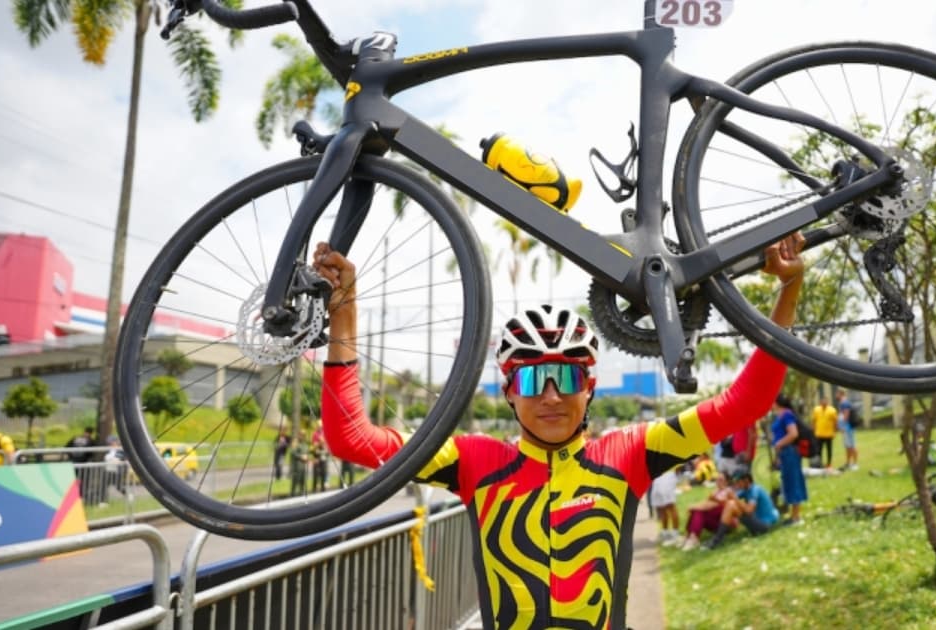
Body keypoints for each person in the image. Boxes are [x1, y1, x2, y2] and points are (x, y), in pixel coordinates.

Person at [312, 231, 804, 629]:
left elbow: (746, 403)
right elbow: (351, 439)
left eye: (567, 376)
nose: (550, 395)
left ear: (589, 387)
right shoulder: (474, 461)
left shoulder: (630, 451)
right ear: (509, 391)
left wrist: (788, 289)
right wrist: (345, 313)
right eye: (531, 378)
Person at [704, 472, 778, 549]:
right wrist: (716, 498)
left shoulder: (755, 490)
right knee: (731, 504)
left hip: (764, 525)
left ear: (746, 480)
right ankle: (717, 538)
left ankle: (717, 539)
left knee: (732, 503)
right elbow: (727, 501)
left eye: (738, 481)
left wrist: (733, 497)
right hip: (757, 522)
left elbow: (749, 510)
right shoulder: (745, 489)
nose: (736, 484)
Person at [770, 393, 808, 525]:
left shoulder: (786, 414)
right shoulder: (779, 415)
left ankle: (796, 517)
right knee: (787, 481)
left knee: (793, 482)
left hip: (790, 452)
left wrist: (779, 444)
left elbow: (793, 433)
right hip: (784, 454)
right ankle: (793, 515)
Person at [681, 472, 736, 550]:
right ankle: (690, 536)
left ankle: (693, 537)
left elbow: (714, 505)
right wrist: (695, 507)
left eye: (721, 480)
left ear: (726, 482)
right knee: (697, 512)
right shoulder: (716, 491)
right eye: (717, 480)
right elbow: (706, 503)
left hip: (725, 525)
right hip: (716, 521)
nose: (718, 482)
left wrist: (694, 507)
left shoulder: (728, 491)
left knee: (698, 511)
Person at [649, 467, 682, 546]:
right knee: (661, 507)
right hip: (658, 474)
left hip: (668, 473)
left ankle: (675, 535)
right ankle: (665, 533)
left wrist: (676, 471)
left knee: (670, 505)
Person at [810, 395, 838, 469]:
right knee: (819, 450)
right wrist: (813, 431)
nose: (824, 402)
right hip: (819, 434)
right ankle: (819, 464)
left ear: (827, 402)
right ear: (820, 402)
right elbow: (813, 421)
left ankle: (829, 464)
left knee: (829, 450)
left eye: (825, 401)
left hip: (829, 434)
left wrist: (835, 431)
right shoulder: (816, 409)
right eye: (822, 401)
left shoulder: (832, 410)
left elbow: (835, 422)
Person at [836, 389, 859, 471]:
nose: (836, 395)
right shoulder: (843, 403)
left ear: (840, 394)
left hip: (848, 428)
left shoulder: (844, 403)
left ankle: (855, 464)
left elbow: (846, 416)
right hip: (846, 428)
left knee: (852, 445)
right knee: (847, 446)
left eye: (837, 393)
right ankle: (848, 463)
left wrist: (842, 426)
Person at [289, 430, 309, 497]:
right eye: (301, 435)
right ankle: (292, 495)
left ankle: (301, 494)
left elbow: (307, 452)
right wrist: (301, 456)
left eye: (304, 435)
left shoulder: (305, 444)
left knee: (302, 481)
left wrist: (307, 457)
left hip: (303, 466)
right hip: (297, 465)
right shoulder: (296, 443)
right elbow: (293, 453)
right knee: (295, 481)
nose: (302, 436)